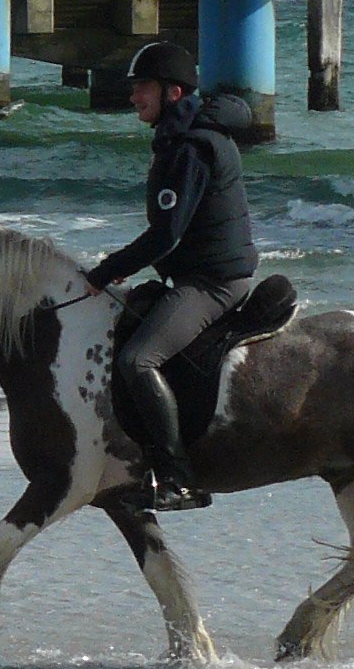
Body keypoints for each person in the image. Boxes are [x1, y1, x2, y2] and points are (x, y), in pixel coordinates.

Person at [85, 41, 260, 511]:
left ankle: (178, 479)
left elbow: (165, 236)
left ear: (173, 92)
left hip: (212, 284)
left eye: (142, 87)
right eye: (135, 87)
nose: (133, 96)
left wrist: (105, 272)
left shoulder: (190, 149)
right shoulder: (180, 135)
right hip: (196, 274)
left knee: (137, 361)